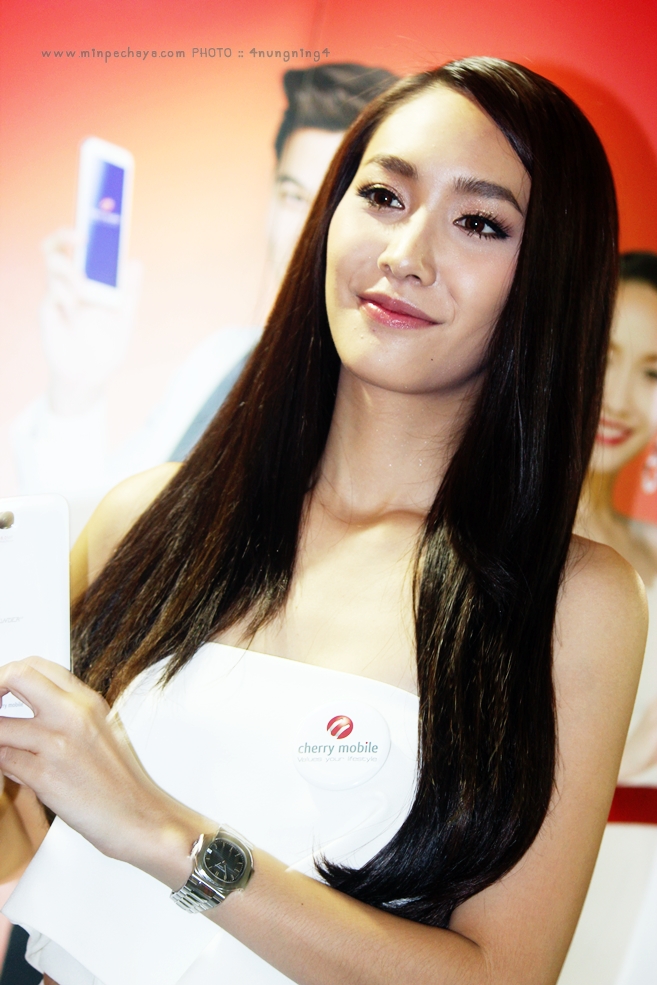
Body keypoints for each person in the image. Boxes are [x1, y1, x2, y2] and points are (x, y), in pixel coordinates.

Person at [0, 56, 646, 985]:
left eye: (477, 222)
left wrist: (162, 832)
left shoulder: (571, 600)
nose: (405, 253)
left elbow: (502, 975)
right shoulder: (144, 519)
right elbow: (29, 849)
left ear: (549, 275)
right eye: (383, 196)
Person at [10, 64, 398, 541]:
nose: (303, 235)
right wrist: (76, 389)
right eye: (294, 198)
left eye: (329, 204)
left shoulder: (387, 420)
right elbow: (89, 546)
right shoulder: (219, 361)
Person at [560, 252, 657, 985]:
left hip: (639, 887)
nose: (618, 398)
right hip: (531, 886)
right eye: (604, 351)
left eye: (653, 373)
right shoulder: (487, 535)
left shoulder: (647, 549)